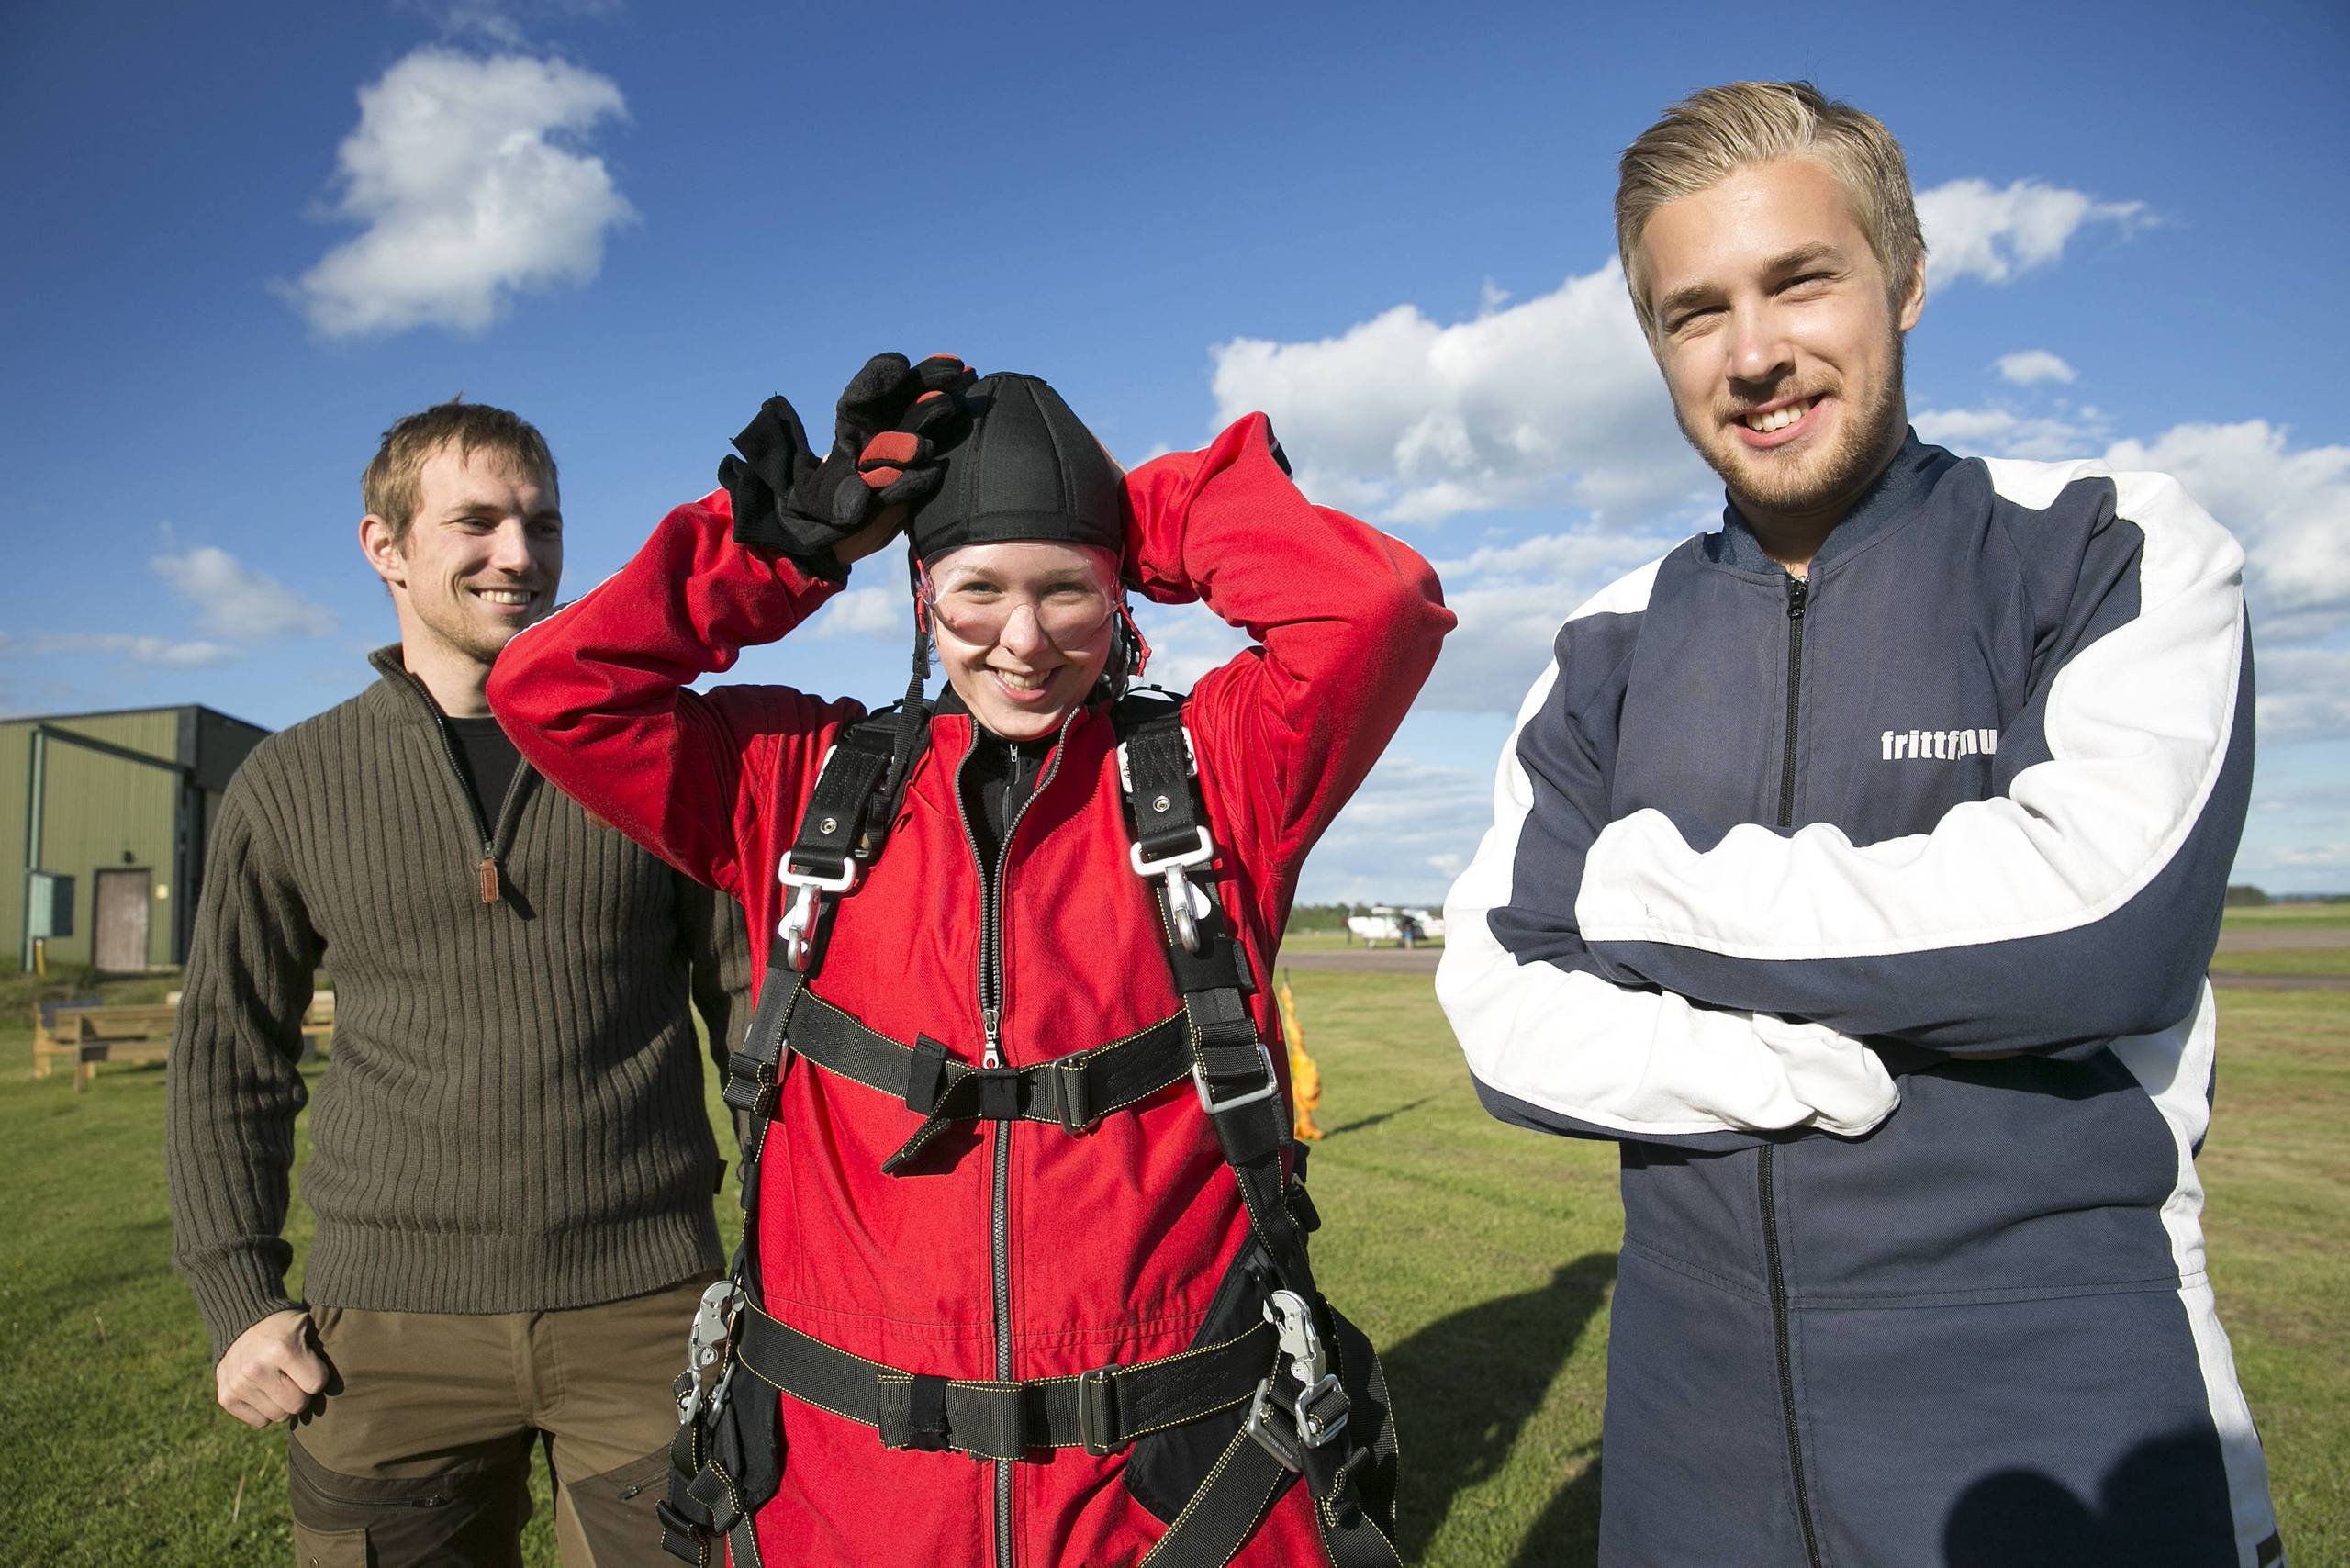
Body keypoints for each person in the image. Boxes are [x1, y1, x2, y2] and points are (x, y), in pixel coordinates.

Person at [1438, 81, 2284, 1568]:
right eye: (1696, 312)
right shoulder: (1603, 646)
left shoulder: (2104, 544)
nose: (1753, 351)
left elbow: (2095, 925)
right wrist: (1766, 1060)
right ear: (1656, 345)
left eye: (1800, 279)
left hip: (2060, 1427)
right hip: (1686, 1453)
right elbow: (1503, 1006)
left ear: (1903, 275)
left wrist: (1642, 890)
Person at [487, 360, 1451, 1566]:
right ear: (919, 595)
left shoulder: (1220, 774)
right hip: (853, 1507)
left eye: (1070, 591)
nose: (1025, 639)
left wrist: (1127, 508)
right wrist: (778, 550)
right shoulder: (794, 781)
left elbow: (1376, 607)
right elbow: (554, 693)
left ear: (1123, 594)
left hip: (1171, 1506)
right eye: (980, 589)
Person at [166, 400, 751, 1567]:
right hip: (383, 1331)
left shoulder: (659, 750)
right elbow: (231, 1058)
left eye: (542, 523)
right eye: (476, 522)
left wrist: (784, 1260)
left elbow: (751, 1022)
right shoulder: (289, 782)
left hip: (647, 1314)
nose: (520, 556)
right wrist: (239, 1296)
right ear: (384, 545)